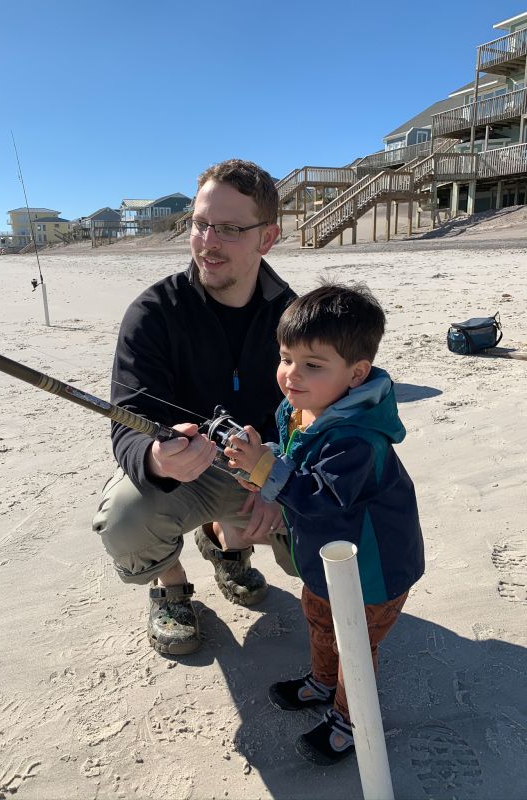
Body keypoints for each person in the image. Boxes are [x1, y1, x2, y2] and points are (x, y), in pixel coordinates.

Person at [92, 159, 296, 656]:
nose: (208, 242)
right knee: (125, 518)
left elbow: (316, 419)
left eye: (229, 229)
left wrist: (276, 482)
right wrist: (156, 459)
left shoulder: (294, 314)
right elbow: (128, 423)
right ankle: (171, 581)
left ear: (266, 238)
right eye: (201, 224)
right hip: (185, 476)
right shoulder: (152, 313)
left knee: (337, 527)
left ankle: (225, 544)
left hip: (264, 470)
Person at [225, 282, 425, 766]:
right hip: (326, 559)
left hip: (374, 570)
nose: (291, 375)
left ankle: (351, 717)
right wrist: (267, 460)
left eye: (313, 365)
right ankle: (322, 679)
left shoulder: (357, 439)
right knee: (318, 618)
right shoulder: (302, 411)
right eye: (286, 357)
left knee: (354, 640)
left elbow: (321, 498)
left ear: (356, 373)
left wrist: (266, 471)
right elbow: (293, 462)